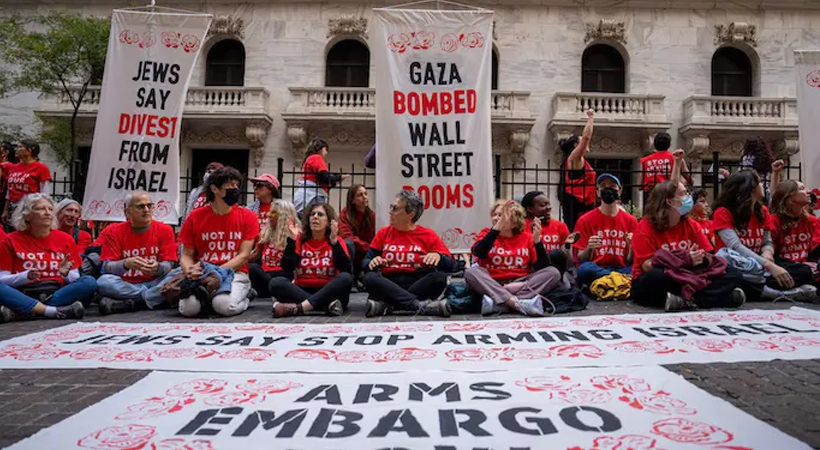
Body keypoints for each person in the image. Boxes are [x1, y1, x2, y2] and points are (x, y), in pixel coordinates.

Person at [631, 180, 746, 311]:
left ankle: (684, 300)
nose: (688, 197)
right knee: (655, 278)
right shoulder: (645, 227)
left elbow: (709, 254)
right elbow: (647, 265)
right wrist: (683, 259)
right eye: (684, 194)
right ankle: (715, 299)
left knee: (733, 273)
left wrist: (699, 258)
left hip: (691, 275)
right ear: (669, 201)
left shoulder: (691, 225)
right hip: (667, 276)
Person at [713, 170, 815, 301]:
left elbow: (767, 242)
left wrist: (768, 253)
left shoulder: (762, 211)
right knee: (734, 277)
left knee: (802, 271)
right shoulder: (722, 212)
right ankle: (780, 293)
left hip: (760, 264)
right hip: (738, 264)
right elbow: (735, 246)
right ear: (750, 188)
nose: (763, 186)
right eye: (760, 183)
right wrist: (769, 265)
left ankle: (762, 289)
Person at [178, 166, 258, 317]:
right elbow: (186, 253)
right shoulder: (195, 217)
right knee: (188, 309)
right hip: (202, 274)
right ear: (214, 189)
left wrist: (216, 272)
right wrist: (189, 270)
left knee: (224, 306)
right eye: (230, 185)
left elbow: (243, 255)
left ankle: (245, 297)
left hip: (234, 273)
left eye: (237, 185)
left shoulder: (248, 216)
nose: (235, 189)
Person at [0, 193, 94, 322]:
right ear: (27, 215)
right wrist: (25, 276)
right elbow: (3, 280)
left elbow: (75, 278)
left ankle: (27, 311)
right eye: (40, 209)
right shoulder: (10, 240)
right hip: (23, 291)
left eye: (50, 209)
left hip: (56, 293)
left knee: (89, 282)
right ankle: (51, 311)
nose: (47, 213)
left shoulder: (65, 239)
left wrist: (64, 274)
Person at [363, 190, 454, 317]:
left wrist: (439, 257)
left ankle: (390, 306)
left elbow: (451, 265)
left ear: (410, 214)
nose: (390, 212)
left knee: (439, 278)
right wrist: (371, 262)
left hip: (416, 282)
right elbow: (365, 262)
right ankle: (418, 306)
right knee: (370, 278)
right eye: (391, 207)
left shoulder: (428, 235)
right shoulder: (384, 233)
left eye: (395, 208)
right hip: (389, 282)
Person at [465, 200, 562, 316]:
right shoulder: (487, 233)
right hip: (493, 282)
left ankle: (499, 304)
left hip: (521, 283)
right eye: (494, 215)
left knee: (553, 272)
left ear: (514, 222)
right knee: (471, 272)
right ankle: (517, 303)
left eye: (501, 215)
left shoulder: (526, 237)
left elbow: (542, 267)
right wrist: (496, 230)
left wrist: (537, 242)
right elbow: (478, 252)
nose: (496, 218)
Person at [96, 192, 178, 315]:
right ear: (128, 211)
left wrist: (157, 267)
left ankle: (135, 303)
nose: (146, 210)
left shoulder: (165, 230)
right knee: (103, 282)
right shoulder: (113, 231)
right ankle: (152, 298)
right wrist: (126, 264)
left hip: (156, 281)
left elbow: (169, 264)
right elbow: (107, 267)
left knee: (181, 273)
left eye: (149, 206)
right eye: (141, 207)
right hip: (127, 284)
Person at [270, 202, 353, 317]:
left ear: (329, 222)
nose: (315, 217)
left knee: (346, 278)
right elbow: (287, 268)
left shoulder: (336, 240)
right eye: (312, 214)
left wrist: (334, 243)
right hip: (303, 289)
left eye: (320, 215)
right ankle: (324, 306)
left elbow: (346, 269)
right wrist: (292, 241)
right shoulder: (300, 240)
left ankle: (299, 308)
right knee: (276, 283)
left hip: (328, 291)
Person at [574, 173, 638, 287]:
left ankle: (610, 281)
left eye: (612, 186)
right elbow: (581, 259)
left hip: (622, 268)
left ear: (619, 191)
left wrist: (632, 247)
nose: (608, 189)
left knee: (639, 269)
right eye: (603, 186)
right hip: (597, 268)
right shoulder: (585, 220)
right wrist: (589, 248)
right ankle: (619, 281)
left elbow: (630, 261)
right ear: (598, 192)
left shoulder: (631, 221)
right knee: (585, 269)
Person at [768, 179, 820, 290]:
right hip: (784, 267)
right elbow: (770, 255)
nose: (808, 191)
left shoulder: (812, 221)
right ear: (791, 199)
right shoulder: (774, 221)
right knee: (803, 272)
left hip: (809, 267)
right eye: (802, 189)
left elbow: (815, 250)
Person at [248, 199, 299, 298]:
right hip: (265, 275)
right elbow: (254, 255)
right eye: (269, 212)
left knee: (278, 282)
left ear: (283, 216)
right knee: (253, 268)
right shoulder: (265, 232)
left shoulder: (295, 234)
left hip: (284, 277)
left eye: (273, 212)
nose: (269, 215)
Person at [559, 109, 596, 231]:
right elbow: (586, 137)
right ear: (576, 145)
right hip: (577, 203)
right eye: (581, 143)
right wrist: (591, 118)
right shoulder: (574, 158)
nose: (586, 143)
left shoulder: (578, 160)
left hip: (584, 202)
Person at [520, 190, 573, 273]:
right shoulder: (521, 227)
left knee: (557, 254)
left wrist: (567, 245)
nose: (548, 207)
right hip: (532, 270)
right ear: (530, 209)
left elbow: (569, 261)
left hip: (558, 270)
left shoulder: (560, 226)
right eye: (543, 205)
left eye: (548, 204)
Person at [294, 138, 347, 215]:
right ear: (320, 148)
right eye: (325, 149)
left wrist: (335, 180)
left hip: (306, 195)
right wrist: (339, 177)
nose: (326, 152)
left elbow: (320, 179)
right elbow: (323, 177)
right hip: (313, 196)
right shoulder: (317, 157)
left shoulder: (309, 159)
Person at [3, 140, 51, 223]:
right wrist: (5, 209)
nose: (17, 149)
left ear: (30, 150)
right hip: (12, 207)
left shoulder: (41, 168)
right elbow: (9, 191)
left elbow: (45, 193)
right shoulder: (14, 167)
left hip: (29, 207)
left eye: (20, 147)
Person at [339, 184, 376, 280]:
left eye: (365, 194)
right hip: (353, 254)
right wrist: (367, 246)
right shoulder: (345, 214)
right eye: (360, 195)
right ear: (352, 200)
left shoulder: (371, 215)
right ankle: (351, 278)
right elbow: (346, 236)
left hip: (366, 254)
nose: (365, 197)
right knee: (348, 243)